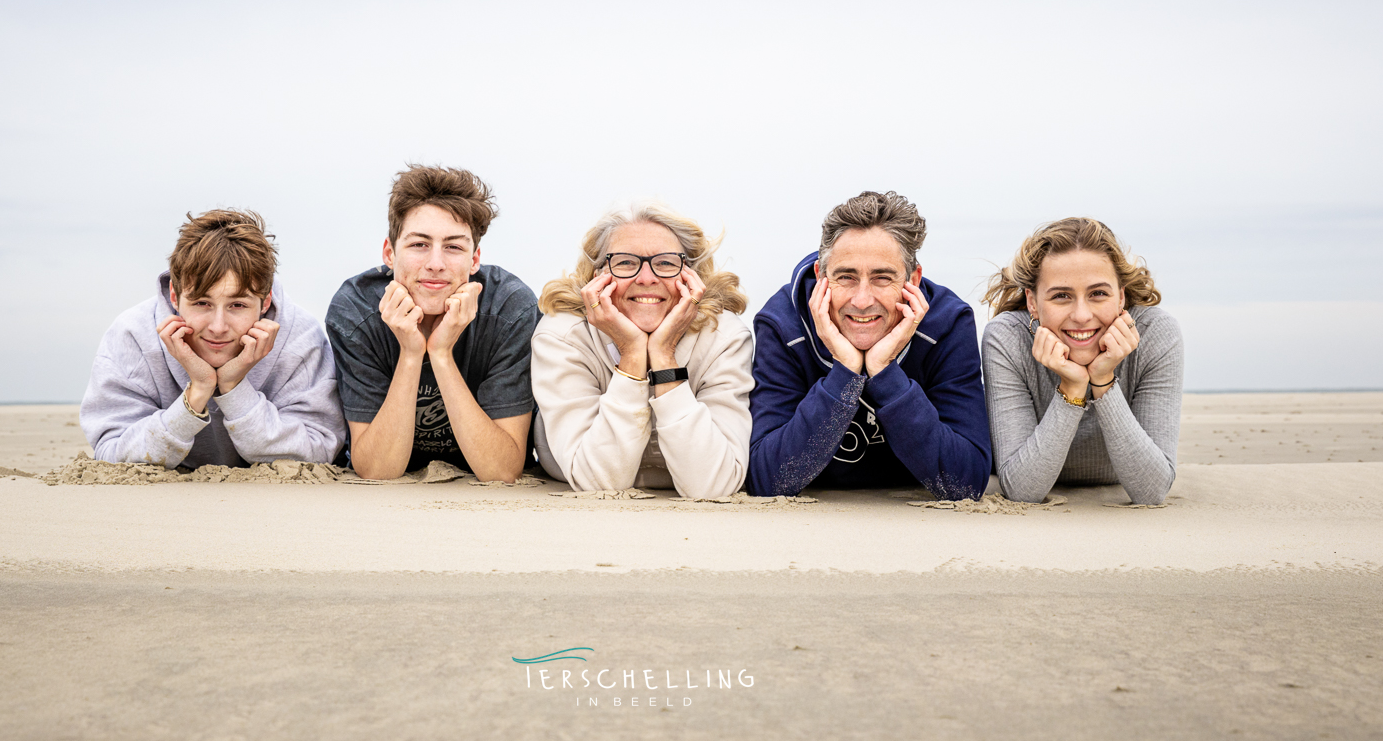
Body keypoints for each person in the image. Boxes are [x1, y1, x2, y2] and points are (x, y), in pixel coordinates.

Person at [748, 190, 990, 499]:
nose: (862, 301)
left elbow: (967, 482)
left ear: (912, 280)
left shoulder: (946, 324)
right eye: (846, 277)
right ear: (820, 274)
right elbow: (766, 480)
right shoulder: (785, 325)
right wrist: (845, 371)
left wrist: (885, 372)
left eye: (882, 278)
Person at [81, 209, 347, 467]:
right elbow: (110, 452)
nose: (218, 327)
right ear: (175, 296)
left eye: (237, 305)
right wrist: (197, 392)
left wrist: (234, 387)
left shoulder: (301, 340)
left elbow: (320, 448)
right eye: (201, 303)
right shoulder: (133, 336)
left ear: (265, 302)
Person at [326, 165, 538, 481]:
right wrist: (411, 355)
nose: (435, 264)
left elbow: (502, 471)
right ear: (389, 253)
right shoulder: (355, 312)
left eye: (453, 247)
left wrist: (440, 354)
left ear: (475, 259)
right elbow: (376, 471)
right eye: (419, 244)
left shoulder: (509, 309)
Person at [532, 201, 753, 498]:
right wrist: (633, 354)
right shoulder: (563, 334)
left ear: (690, 276)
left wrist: (664, 356)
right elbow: (599, 481)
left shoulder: (724, 335)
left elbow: (712, 486)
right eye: (624, 262)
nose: (647, 278)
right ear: (597, 275)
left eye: (665, 263)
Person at [981, 217, 1182, 505]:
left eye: (1098, 293)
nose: (1082, 315)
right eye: (1061, 296)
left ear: (1121, 296)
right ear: (1032, 302)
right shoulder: (1007, 338)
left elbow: (1151, 491)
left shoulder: (1156, 333)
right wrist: (1072, 389)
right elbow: (1023, 490)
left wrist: (1104, 381)